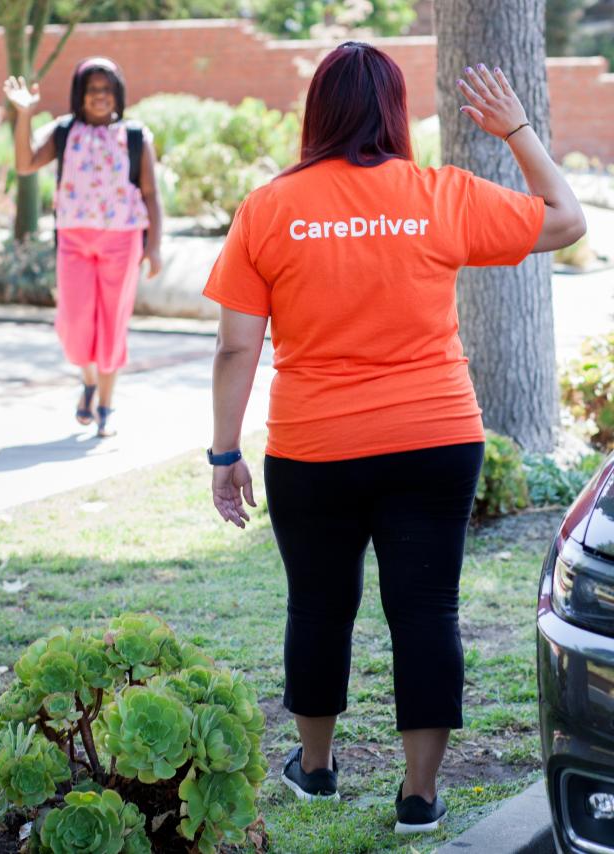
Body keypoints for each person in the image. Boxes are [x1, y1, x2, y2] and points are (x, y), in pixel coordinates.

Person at [204, 43, 585, 835]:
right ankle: (419, 795)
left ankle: (315, 771)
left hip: (314, 447)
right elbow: (567, 222)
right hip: (435, 437)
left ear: (317, 113)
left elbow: (236, 346)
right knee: (425, 610)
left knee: (317, 606)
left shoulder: (269, 208)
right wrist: (517, 132)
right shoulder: (437, 193)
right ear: (393, 111)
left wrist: (225, 452)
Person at [4, 57, 162, 438]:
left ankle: (105, 404)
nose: (100, 97)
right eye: (92, 89)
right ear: (80, 94)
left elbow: (151, 194)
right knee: (74, 323)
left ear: (117, 94)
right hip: (74, 239)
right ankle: (88, 381)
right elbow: (25, 164)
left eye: (107, 89)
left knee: (112, 323)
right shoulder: (64, 130)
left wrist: (153, 248)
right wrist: (25, 114)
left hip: (122, 239)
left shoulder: (136, 135)